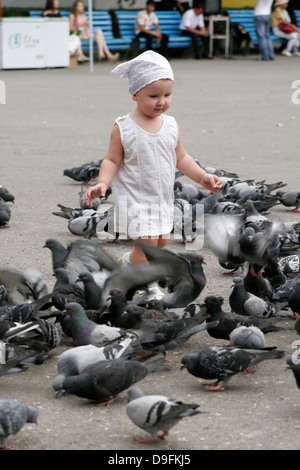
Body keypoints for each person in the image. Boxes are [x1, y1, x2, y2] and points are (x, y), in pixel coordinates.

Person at [85, 51, 222, 298]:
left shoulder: (171, 125)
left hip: (160, 198)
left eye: (167, 95)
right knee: (148, 246)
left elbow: (181, 158)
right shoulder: (123, 127)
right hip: (135, 199)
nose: (161, 102)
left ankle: (129, 262)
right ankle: (147, 285)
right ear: (135, 94)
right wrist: (103, 182)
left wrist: (202, 177)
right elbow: (111, 159)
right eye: (153, 96)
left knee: (160, 242)